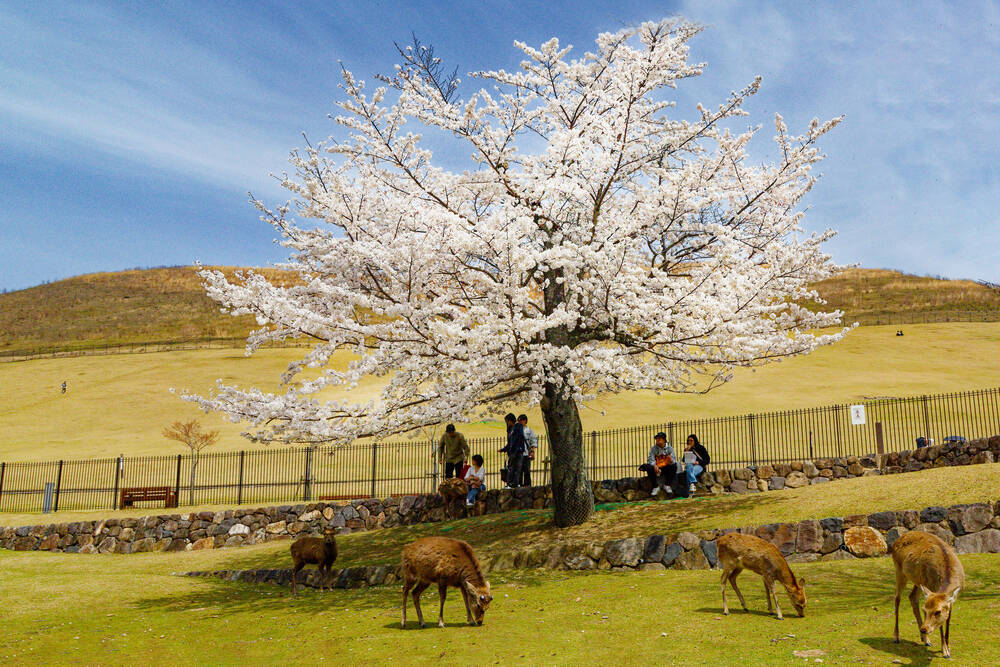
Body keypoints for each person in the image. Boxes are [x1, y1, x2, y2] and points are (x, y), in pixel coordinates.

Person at [638, 432, 676, 496]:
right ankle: (655, 487)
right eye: (656, 439)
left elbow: (673, 460)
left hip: (665, 468)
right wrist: (654, 465)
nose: (657, 440)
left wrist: (671, 461)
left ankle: (667, 485)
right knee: (648, 467)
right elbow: (650, 459)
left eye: (659, 439)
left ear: (664, 440)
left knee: (674, 466)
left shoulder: (669, 448)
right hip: (656, 467)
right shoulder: (653, 449)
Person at [498, 413, 527, 488]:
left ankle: (515, 483)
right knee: (511, 468)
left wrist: (517, 448)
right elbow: (510, 442)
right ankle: (509, 483)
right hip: (512, 452)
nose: (507, 423)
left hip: (518, 451)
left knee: (517, 468)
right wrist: (503, 449)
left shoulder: (518, 427)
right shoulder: (510, 429)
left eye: (507, 421)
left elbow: (520, 438)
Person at [518, 414, 537, 487]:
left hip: (526, 453)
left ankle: (527, 485)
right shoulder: (516, 430)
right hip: (519, 453)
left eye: (521, 420)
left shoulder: (529, 431)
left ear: (525, 421)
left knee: (526, 471)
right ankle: (519, 484)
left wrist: (532, 451)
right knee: (519, 471)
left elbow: (533, 441)